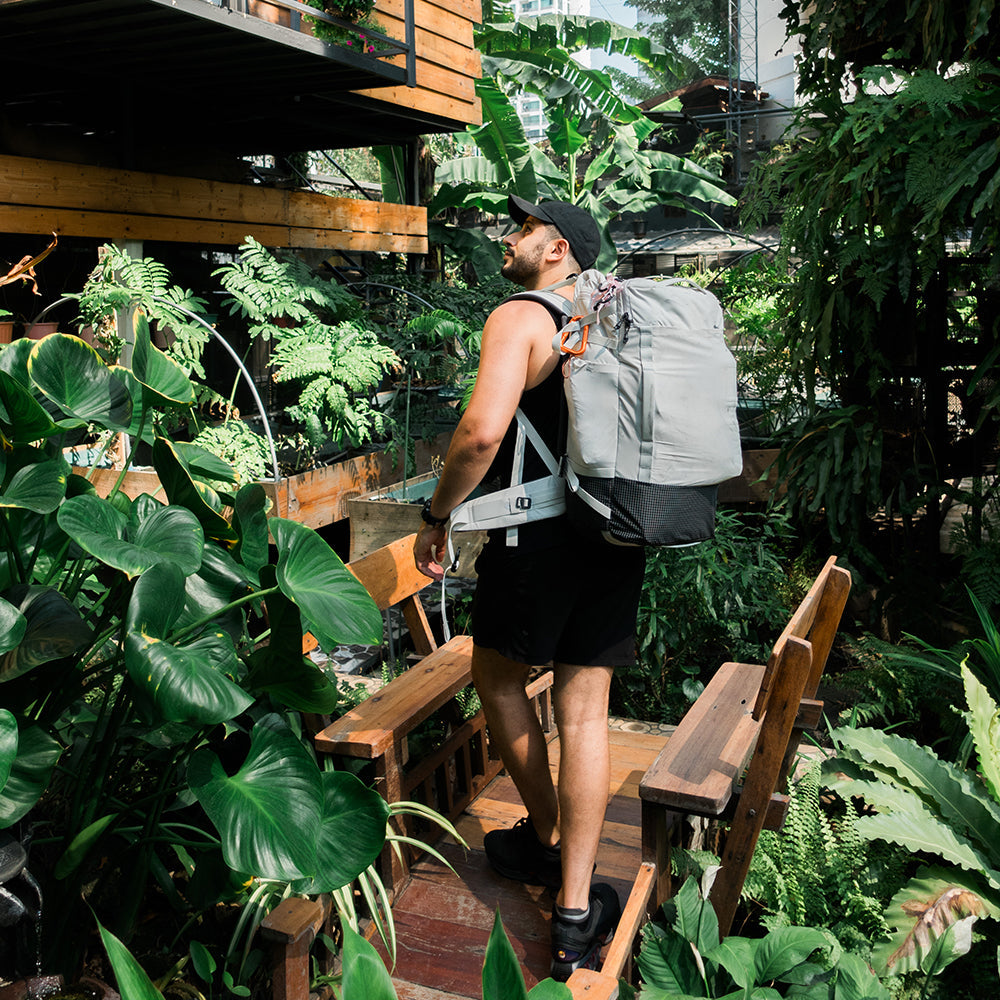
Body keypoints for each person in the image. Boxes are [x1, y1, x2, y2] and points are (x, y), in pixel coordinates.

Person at [413, 194, 645, 982]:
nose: (508, 238)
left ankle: (546, 838)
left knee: (496, 675)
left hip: (539, 535)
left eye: (523, 228)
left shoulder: (522, 314)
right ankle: (576, 911)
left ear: (558, 249)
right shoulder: (615, 310)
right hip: (616, 531)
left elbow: (482, 432)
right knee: (586, 710)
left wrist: (437, 513)